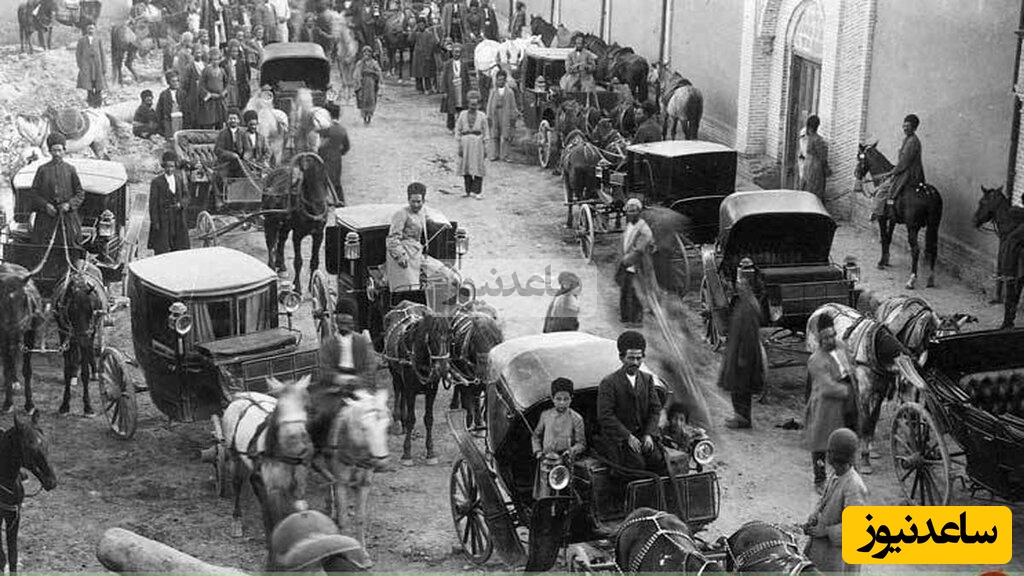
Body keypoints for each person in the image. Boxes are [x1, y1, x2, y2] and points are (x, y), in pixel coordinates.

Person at [597, 331, 666, 475]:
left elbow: (655, 409)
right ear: (621, 358)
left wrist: (648, 434)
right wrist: (627, 436)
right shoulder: (609, 383)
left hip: (642, 436)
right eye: (631, 358)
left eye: (639, 358)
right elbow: (605, 416)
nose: (635, 363)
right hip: (619, 439)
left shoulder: (647, 380)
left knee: (659, 460)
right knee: (636, 466)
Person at [802, 428, 868, 573]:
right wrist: (814, 518)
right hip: (825, 551)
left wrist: (825, 531)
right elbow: (824, 503)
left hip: (839, 559)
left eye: (829, 451)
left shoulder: (854, 486)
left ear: (832, 455)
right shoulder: (836, 476)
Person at [805, 314, 858, 491]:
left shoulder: (841, 346)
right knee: (821, 444)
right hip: (826, 407)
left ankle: (848, 472)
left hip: (846, 403)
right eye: (826, 338)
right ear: (820, 339)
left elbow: (851, 366)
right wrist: (848, 391)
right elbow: (827, 387)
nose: (830, 340)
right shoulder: (815, 360)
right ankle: (819, 479)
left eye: (832, 335)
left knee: (849, 435)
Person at [718, 259, 764, 429]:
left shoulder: (750, 307)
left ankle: (742, 418)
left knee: (741, 388)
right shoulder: (746, 303)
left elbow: (750, 336)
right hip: (739, 351)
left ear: (748, 287)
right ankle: (741, 416)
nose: (738, 287)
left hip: (744, 354)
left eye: (742, 285)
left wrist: (743, 357)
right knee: (738, 388)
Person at [385, 183, 449, 304]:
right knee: (409, 291)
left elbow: (426, 222)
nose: (416, 205)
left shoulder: (422, 211)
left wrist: (439, 225)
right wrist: (399, 256)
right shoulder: (401, 214)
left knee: (446, 274)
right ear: (408, 199)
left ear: (424, 200)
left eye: (419, 201)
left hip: (417, 254)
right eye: (413, 201)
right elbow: (392, 238)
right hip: (404, 256)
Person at [531, 377, 586, 499]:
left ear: (571, 399)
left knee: (563, 496)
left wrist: (571, 451)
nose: (562, 402)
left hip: (564, 463)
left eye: (566, 399)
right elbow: (536, 436)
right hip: (545, 461)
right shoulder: (545, 415)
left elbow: (581, 443)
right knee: (544, 496)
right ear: (552, 398)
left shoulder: (577, 418)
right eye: (558, 399)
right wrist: (538, 451)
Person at [30, 134, 84, 249]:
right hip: (46, 220)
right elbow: (33, 194)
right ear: (49, 151)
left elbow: (80, 193)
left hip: (67, 218)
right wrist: (45, 206)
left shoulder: (70, 169)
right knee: (41, 248)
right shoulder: (42, 170)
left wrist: (69, 205)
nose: (57, 154)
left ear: (64, 150)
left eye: (59, 150)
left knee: (72, 246)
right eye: (54, 151)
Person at [617, 198, 652, 325]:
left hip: (637, 265)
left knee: (635, 293)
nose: (631, 213)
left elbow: (640, 249)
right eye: (629, 211)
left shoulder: (644, 229)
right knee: (625, 291)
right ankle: (625, 317)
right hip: (627, 264)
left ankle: (636, 320)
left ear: (639, 212)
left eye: (634, 211)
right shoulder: (630, 225)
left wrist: (626, 261)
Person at [148, 151, 190, 255]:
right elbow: (153, 204)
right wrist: (155, 223)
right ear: (163, 167)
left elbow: (186, 196)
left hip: (177, 217)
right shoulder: (157, 182)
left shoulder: (179, 179)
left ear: (175, 166)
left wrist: (181, 204)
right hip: (163, 218)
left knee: (178, 247)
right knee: (163, 248)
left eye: (172, 166)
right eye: (167, 166)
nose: (169, 169)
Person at [455, 90, 488, 199]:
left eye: (475, 104)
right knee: (466, 167)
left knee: (478, 167)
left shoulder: (482, 116)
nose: (473, 106)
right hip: (465, 143)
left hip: (478, 143)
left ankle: (477, 191)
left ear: (478, 104)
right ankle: (468, 190)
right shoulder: (462, 114)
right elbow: (458, 130)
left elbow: (486, 132)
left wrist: (486, 146)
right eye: (471, 104)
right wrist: (459, 144)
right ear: (467, 103)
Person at [317, 103, 351, 205]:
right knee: (336, 180)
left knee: (322, 179)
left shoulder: (324, 130)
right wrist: (340, 153)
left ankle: (322, 201)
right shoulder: (342, 130)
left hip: (323, 157)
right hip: (336, 157)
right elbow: (347, 147)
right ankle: (340, 201)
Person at [485, 69, 519, 162]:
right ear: (496, 80)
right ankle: (494, 154)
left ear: (505, 80)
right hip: (495, 115)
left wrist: (513, 116)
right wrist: (488, 115)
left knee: (506, 136)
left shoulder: (510, 92)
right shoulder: (492, 91)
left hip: (506, 115)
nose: (501, 82)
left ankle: (505, 155)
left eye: (502, 80)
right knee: (494, 135)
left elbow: (513, 105)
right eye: (499, 80)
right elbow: (489, 104)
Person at [798, 115, 830, 202]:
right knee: (815, 189)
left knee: (806, 186)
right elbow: (823, 157)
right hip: (815, 167)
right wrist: (826, 168)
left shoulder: (809, 138)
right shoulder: (818, 139)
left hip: (807, 165)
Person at [440, 44, 470, 132]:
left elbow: (467, 78)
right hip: (451, 89)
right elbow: (444, 77)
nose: (457, 54)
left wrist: (468, 90)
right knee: (451, 108)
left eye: (459, 52)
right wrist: (444, 90)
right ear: (452, 53)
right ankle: (450, 127)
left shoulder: (463, 64)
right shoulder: (448, 64)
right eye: (455, 52)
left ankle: (461, 127)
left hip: (461, 89)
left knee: (461, 108)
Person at [76, 23, 107, 108]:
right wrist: (81, 65)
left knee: (98, 85)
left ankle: (98, 103)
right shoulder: (82, 40)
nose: (91, 30)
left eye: (92, 28)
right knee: (88, 86)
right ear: (86, 30)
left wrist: (104, 66)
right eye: (89, 28)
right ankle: (90, 103)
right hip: (87, 66)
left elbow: (102, 53)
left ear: (95, 30)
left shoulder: (98, 40)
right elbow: (78, 54)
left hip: (97, 65)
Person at [197, 47, 228, 129]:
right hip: (210, 102)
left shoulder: (222, 71)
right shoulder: (206, 71)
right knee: (209, 122)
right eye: (213, 60)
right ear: (210, 60)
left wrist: (224, 92)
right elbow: (201, 86)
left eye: (217, 59)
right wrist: (209, 95)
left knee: (220, 122)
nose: (215, 62)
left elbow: (227, 84)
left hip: (220, 100)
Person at [353, 46, 382, 124]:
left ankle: (369, 116)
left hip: (371, 84)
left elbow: (379, 73)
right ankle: (364, 117)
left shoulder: (374, 63)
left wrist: (374, 75)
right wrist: (358, 83)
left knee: (371, 100)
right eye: (365, 52)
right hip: (363, 84)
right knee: (363, 100)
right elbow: (356, 74)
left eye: (368, 52)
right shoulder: (360, 63)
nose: (366, 54)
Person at [215, 108, 246, 178]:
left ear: (239, 120)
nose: (233, 121)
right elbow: (218, 150)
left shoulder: (243, 134)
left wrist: (246, 156)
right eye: (230, 119)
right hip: (226, 164)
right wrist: (231, 155)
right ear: (227, 120)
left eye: (235, 119)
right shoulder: (223, 133)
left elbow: (247, 149)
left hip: (241, 163)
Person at [410, 19, 438, 93]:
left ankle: (428, 88)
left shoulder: (429, 34)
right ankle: (419, 88)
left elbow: (432, 44)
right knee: (418, 74)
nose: (421, 26)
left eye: (422, 24)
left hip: (426, 55)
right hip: (417, 56)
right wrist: (414, 29)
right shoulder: (416, 34)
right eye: (419, 24)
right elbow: (410, 39)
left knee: (427, 74)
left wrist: (428, 55)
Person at [156, 70, 185, 140]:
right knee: (170, 139)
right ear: (168, 82)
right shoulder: (164, 94)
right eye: (173, 81)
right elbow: (159, 111)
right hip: (169, 122)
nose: (176, 83)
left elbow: (187, 109)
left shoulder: (183, 93)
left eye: (177, 81)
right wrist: (161, 124)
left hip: (181, 121)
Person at [223, 40, 251, 111]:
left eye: (236, 51)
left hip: (240, 88)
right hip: (229, 89)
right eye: (233, 51)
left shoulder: (243, 63)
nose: (235, 53)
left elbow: (247, 76)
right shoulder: (224, 63)